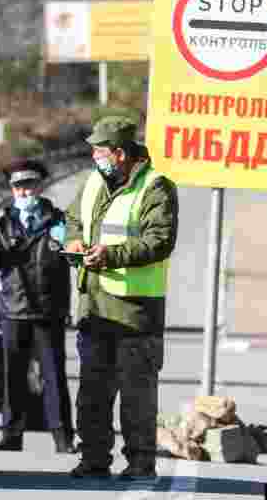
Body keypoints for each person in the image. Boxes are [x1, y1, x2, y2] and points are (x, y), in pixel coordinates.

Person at [63, 116, 179, 481]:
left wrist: (111, 255)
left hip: (136, 312)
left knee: (136, 396)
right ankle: (94, 459)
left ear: (120, 152)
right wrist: (74, 241)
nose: (94, 156)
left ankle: (141, 463)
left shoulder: (156, 187)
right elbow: (72, 219)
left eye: (99, 150)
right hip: (94, 307)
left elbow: (159, 240)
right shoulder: (93, 183)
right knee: (92, 393)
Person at [0, 159, 76, 454]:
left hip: (47, 308)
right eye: (18, 186)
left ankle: (63, 437)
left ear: (40, 187)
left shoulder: (58, 221)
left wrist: (67, 243)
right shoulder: (2, 224)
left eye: (29, 185)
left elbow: (73, 255)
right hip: (14, 307)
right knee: (13, 375)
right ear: (12, 190)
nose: (24, 192)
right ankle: (11, 435)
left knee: (53, 375)